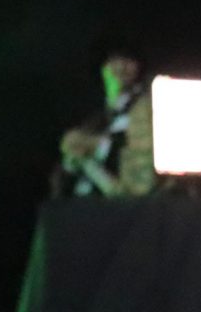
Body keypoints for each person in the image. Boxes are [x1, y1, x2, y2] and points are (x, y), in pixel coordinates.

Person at [55, 41, 158, 198]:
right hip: (82, 202)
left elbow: (141, 154)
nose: (120, 67)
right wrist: (72, 161)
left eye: (127, 60)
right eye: (113, 61)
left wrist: (98, 146)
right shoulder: (95, 116)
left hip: (125, 203)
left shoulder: (150, 105)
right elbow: (64, 172)